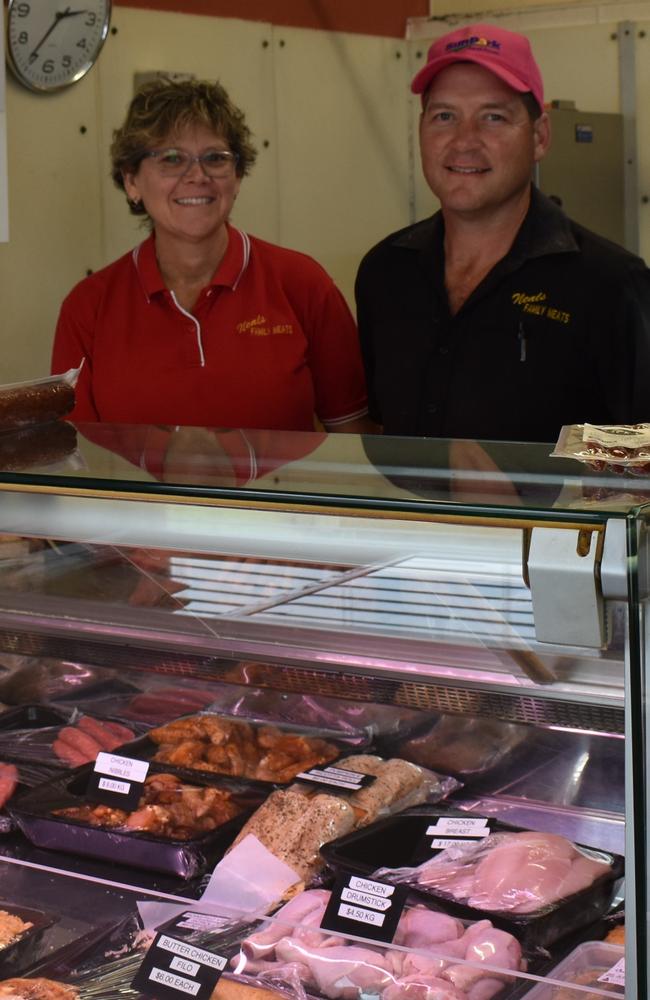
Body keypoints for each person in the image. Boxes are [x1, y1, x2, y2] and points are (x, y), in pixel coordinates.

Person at [356, 23, 650, 442]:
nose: (464, 141)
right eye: (444, 116)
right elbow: (382, 425)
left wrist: (537, 474)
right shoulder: (384, 273)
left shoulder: (610, 284)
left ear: (540, 136)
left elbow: (644, 449)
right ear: (421, 131)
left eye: (493, 117)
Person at [51, 77, 370, 434]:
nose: (197, 176)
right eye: (171, 159)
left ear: (236, 175)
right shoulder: (88, 309)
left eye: (215, 158)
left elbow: (354, 442)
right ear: (132, 181)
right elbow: (80, 462)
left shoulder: (302, 284)